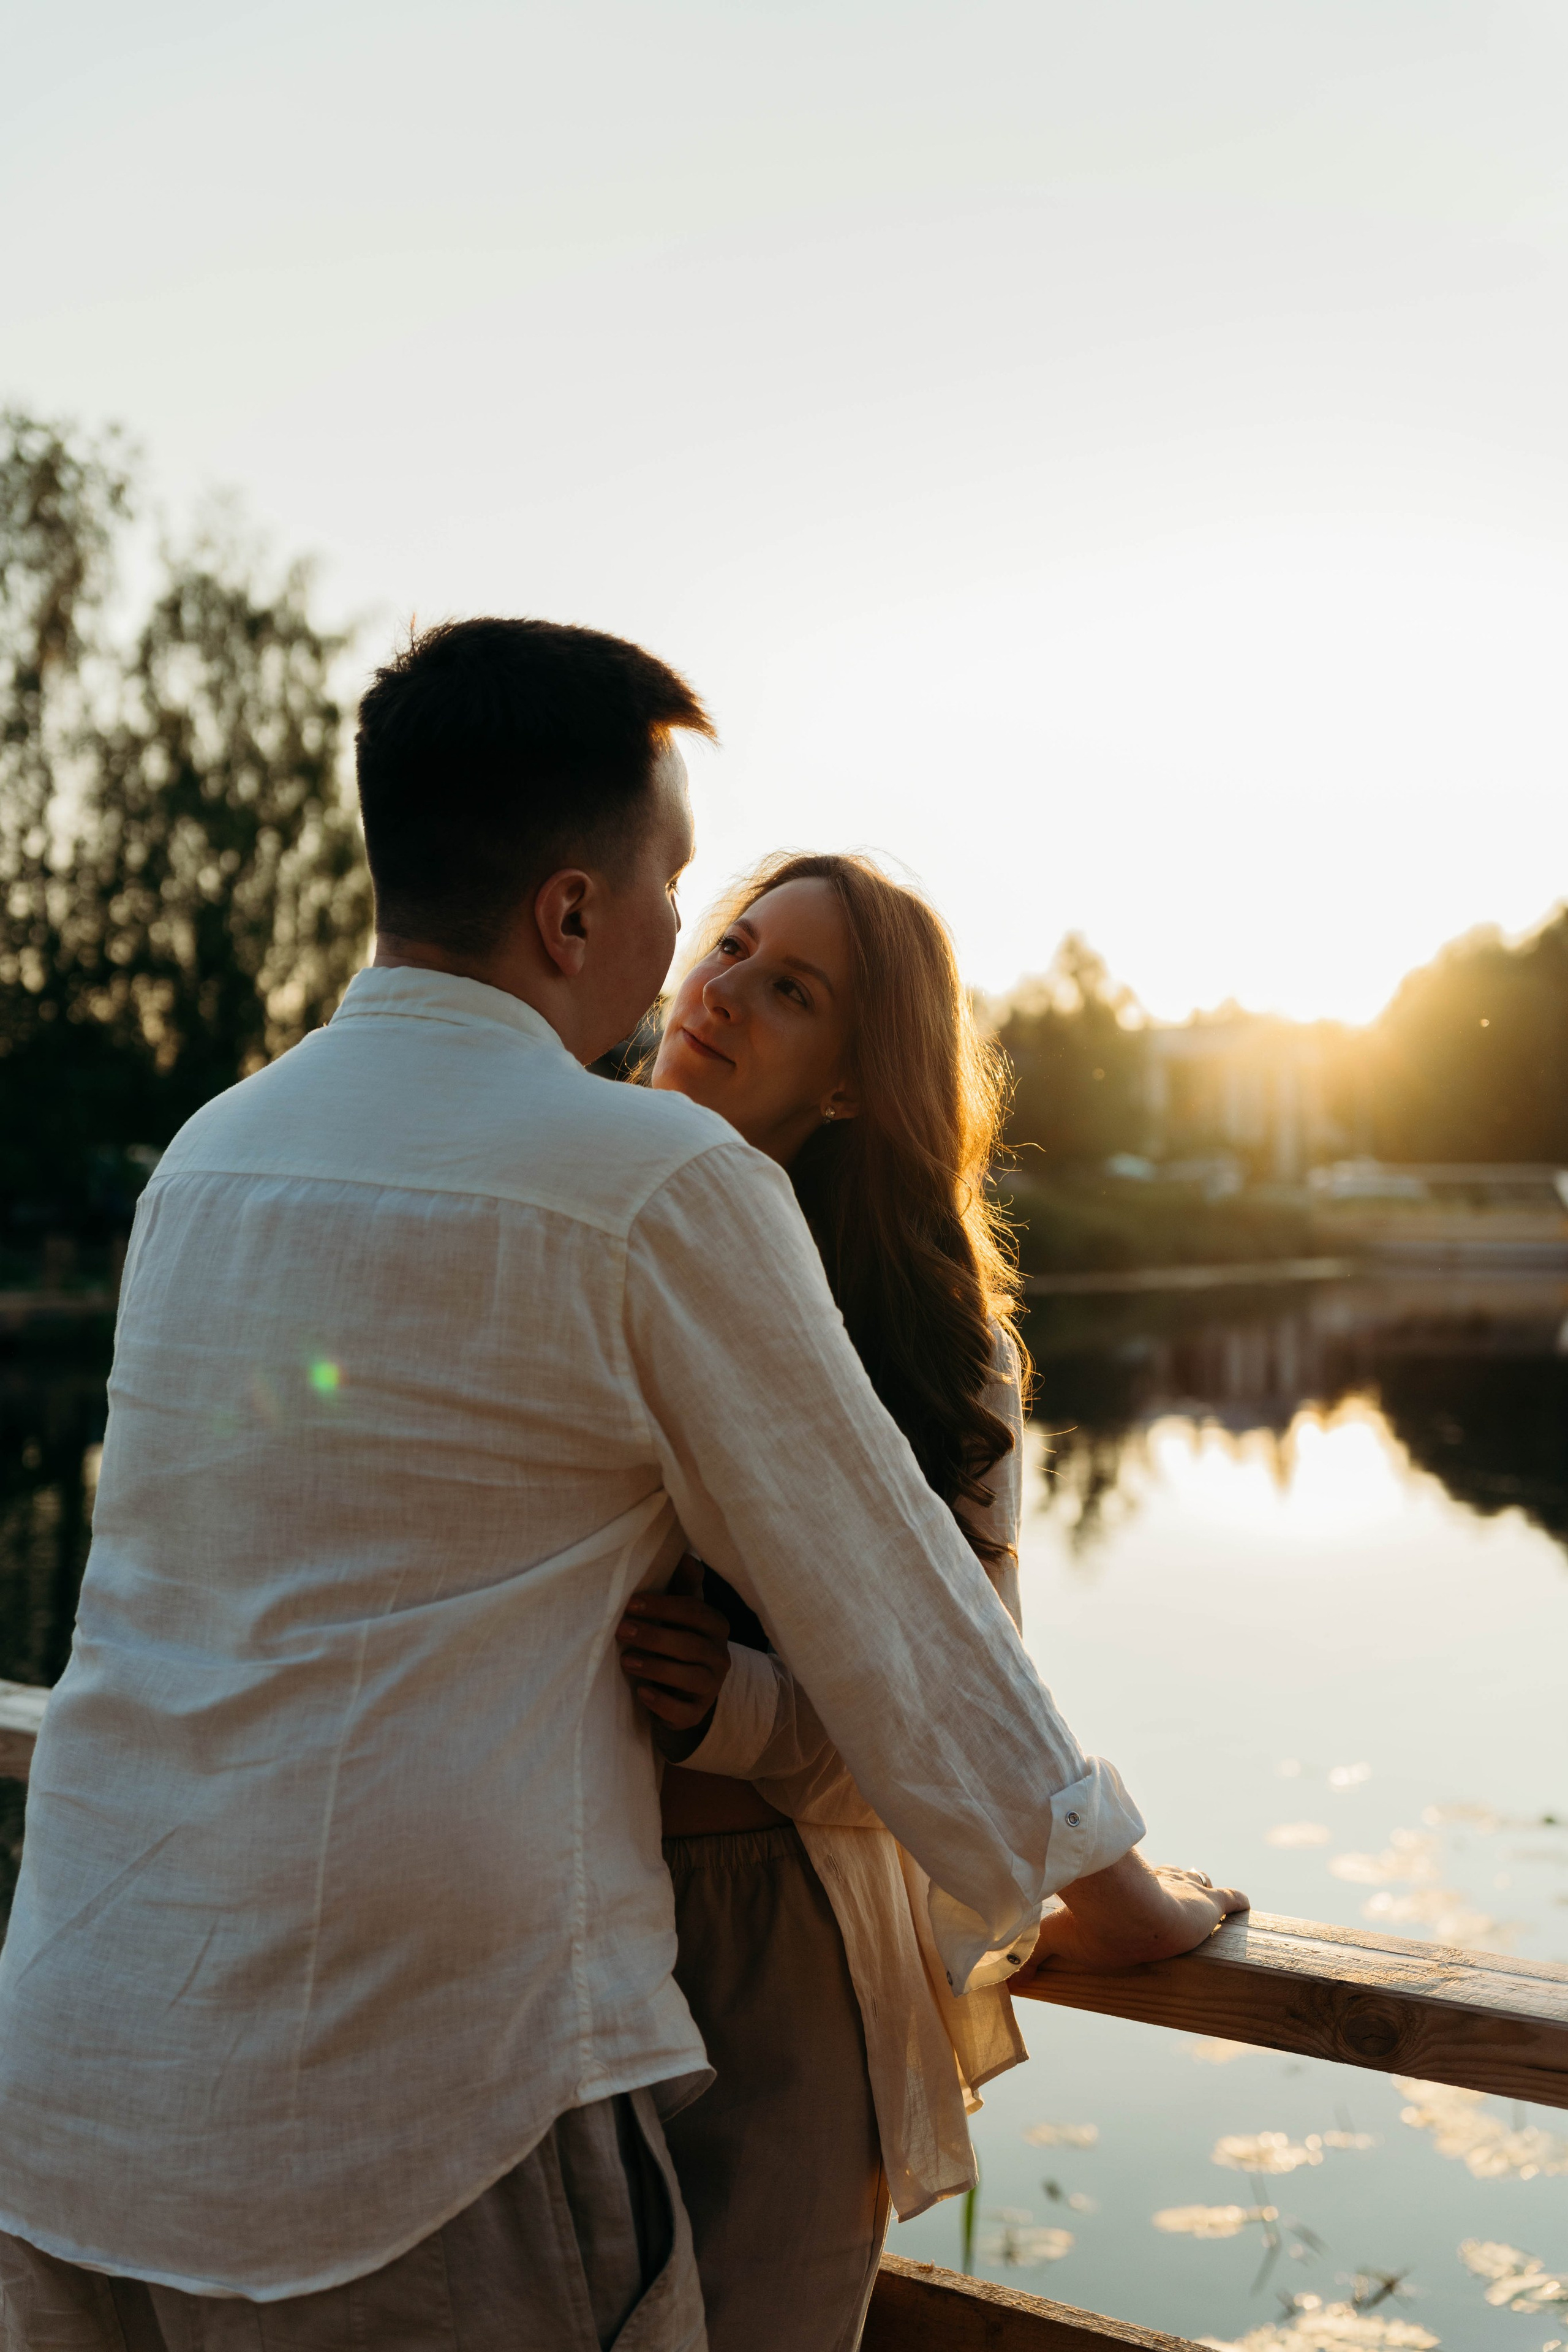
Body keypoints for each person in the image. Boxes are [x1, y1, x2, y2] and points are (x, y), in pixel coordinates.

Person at [0, 617, 1242, 2352]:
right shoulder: (649, 1180)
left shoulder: (213, 1154)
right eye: (675, 887)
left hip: (78, 2071)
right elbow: (907, 1623)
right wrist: (1117, 1893)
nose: (684, 943)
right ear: (573, 912)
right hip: (411, 2117)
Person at [612, 856, 1245, 2352]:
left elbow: (952, 1720)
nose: (721, 993)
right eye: (733, 948)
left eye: (790, 990)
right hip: (544, 1918)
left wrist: (738, 1710)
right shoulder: (575, 1242)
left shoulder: (933, 1356)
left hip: (778, 1946)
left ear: (851, 1085)